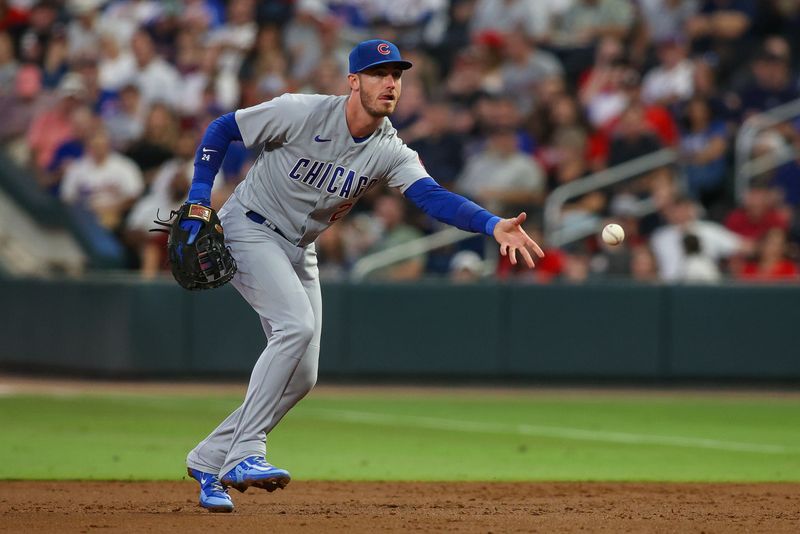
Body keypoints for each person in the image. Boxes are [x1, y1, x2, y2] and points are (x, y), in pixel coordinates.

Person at [180, 39, 544, 513]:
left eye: (396, 75)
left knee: (302, 375)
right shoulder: (301, 112)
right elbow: (223, 127)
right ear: (353, 81)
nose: (390, 83)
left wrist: (492, 224)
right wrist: (199, 197)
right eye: (378, 73)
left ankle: (209, 459)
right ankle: (246, 453)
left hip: (298, 247)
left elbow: (433, 197)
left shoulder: (389, 149)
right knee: (297, 326)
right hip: (249, 228)